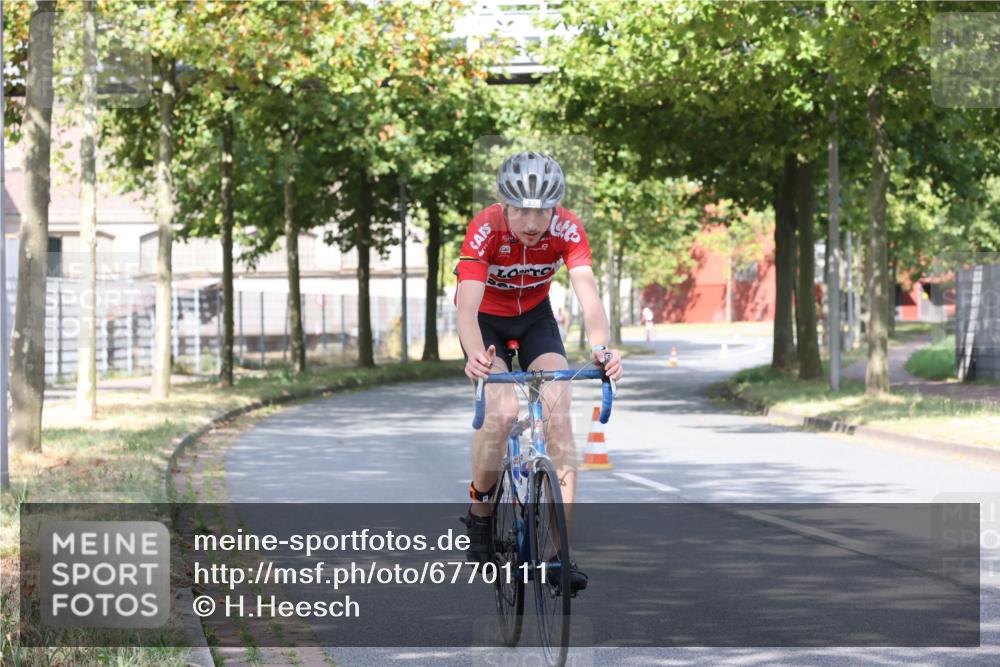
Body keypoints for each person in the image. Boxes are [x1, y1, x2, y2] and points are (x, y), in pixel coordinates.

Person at [454, 151, 624, 595]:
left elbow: (589, 298)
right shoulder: (485, 228)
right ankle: (480, 514)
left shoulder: (567, 228)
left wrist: (602, 349)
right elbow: (466, 310)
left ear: (556, 208)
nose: (532, 222)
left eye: (542, 211)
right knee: (504, 411)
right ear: (503, 204)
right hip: (486, 324)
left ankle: (558, 555)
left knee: (560, 414)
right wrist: (475, 355)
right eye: (522, 211)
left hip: (535, 320)